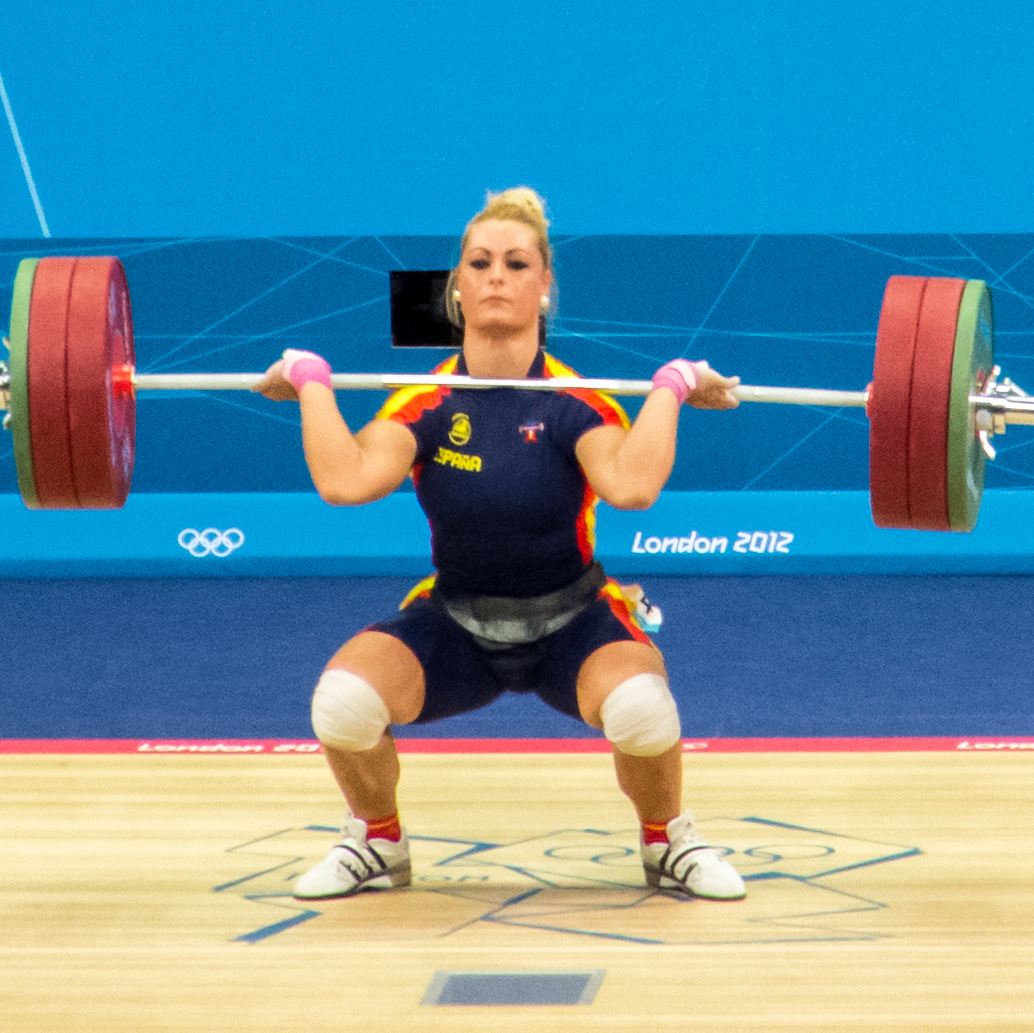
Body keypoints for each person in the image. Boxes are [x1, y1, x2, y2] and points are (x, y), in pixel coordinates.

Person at [253, 187, 747, 902]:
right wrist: (311, 381)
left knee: (642, 707)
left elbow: (632, 487)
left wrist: (670, 387)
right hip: (456, 621)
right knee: (342, 703)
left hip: (571, 620)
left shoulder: (577, 402)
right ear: (457, 286)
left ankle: (666, 837)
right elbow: (347, 479)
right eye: (479, 262)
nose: (495, 276)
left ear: (544, 286)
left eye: (516, 264)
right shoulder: (423, 401)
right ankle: (379, 840)